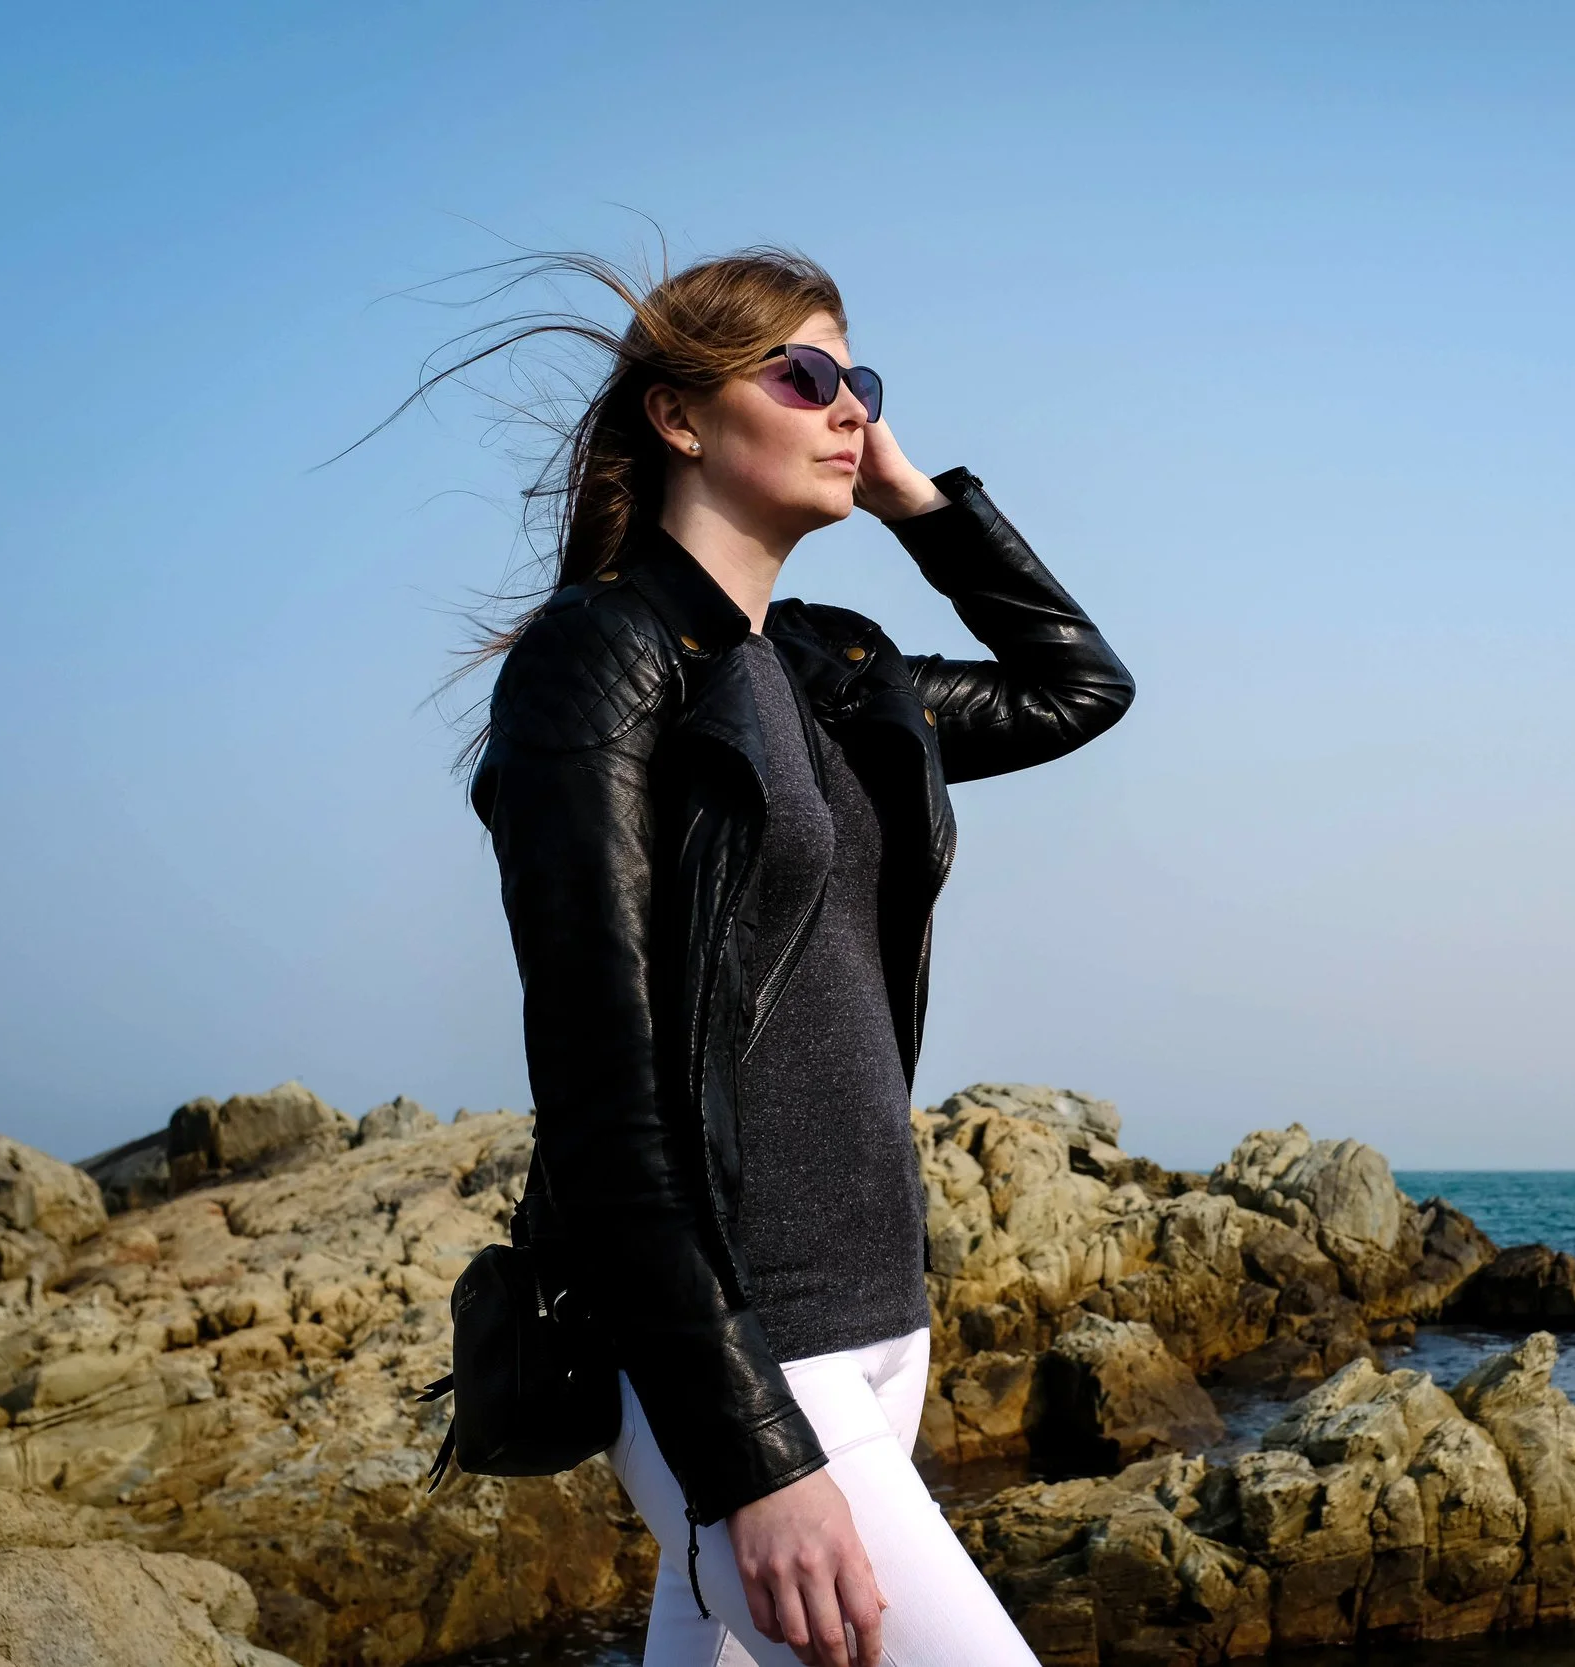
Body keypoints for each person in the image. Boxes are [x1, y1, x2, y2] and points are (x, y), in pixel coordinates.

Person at [462, 247, 1133, 1665]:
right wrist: (751, 1453)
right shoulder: (600, 661)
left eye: (862, 383)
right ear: (679, 417)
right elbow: (603, 1091)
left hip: (881, 1325)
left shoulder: (837, 669)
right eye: (807, 376)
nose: (849, 412)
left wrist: (919, 503)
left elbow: (1079, 684)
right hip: (754, 1348)